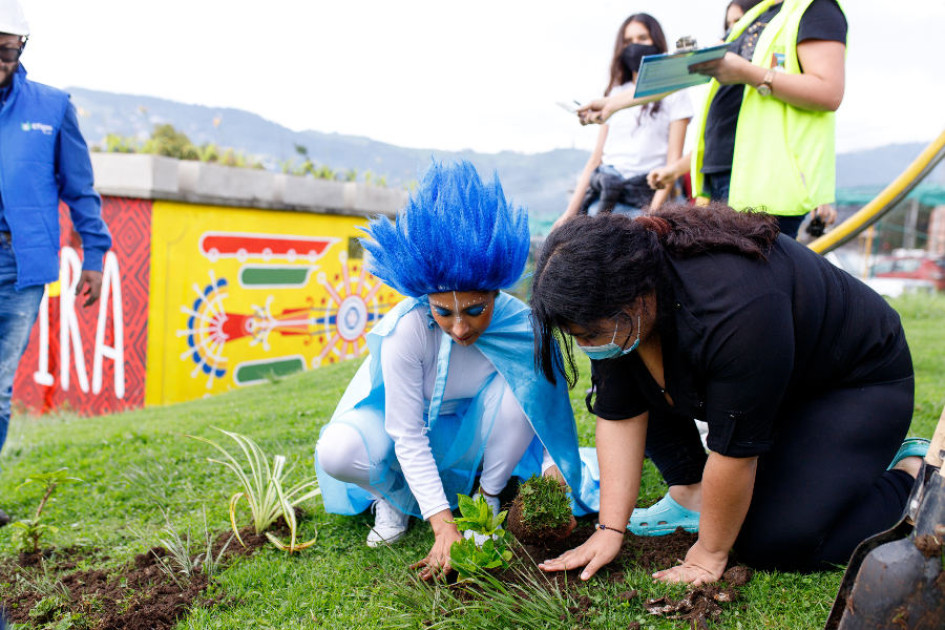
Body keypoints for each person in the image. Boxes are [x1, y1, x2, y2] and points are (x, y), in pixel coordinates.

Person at [529, 206, 925, 585]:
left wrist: (709, 552)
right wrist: (609, 529)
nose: (587, 348)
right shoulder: (623, 299)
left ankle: (911, 477)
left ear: (634, 297)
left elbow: (735, 453)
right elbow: (620, 414)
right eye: (576, 337)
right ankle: (695, 492)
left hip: (853, 383)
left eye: (590, 335)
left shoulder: (734, 308)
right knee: (634, 367)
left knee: (774, 541)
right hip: (778, 379)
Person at [314, 161, 598, 580]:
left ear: (496, 293)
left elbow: (544, 413)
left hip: (482, 434)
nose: (460, 328)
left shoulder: (523, 327)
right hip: (407, 433)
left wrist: (553, 472)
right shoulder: (405, 330)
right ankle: (393, 497)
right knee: (336, 452)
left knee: (521, 396)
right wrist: (443, 527)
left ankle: (489, 498)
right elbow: (406, 433)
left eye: (475, 310)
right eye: (443, 312)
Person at [583, 0, 847, 239]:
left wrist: (750, 73)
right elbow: (688, 71)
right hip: (724, 177)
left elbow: (829, 92)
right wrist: (613, 103)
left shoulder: (815, 9)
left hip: (768, 182)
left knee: (756, 283)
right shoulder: (755, 16)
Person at [0, 0, 112, 527]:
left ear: (21, 48)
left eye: (5, 49)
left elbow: (80, 189)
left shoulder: (50, 106)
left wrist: (94, 254)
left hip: (18, 266)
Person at [553, 13, 691, 232]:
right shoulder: (614, 94)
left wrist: (652, 216)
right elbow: (596, 159)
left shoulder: (674, 93)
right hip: (606, 199)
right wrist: (568, 214)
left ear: (657, 42)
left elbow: (672, 160)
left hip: (646, 197)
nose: (635, 46)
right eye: (628, 41)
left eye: (642, 38)